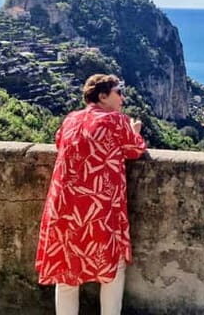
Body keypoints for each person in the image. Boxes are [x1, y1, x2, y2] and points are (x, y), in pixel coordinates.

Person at [36, 74, 147, 315]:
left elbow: (59, 143)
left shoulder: (71, 119)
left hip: (65, 207)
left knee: (66, 273)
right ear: (103, 96)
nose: (123, 98)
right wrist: (134, 130)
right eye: (119, 92)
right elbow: (135, 149)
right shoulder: (117, 121)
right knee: (112, 268)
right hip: (99, 208)